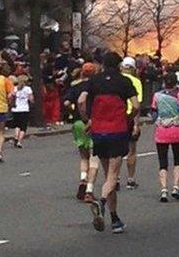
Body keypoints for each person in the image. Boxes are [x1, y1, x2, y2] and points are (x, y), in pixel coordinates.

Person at [79, 52, 140, 234]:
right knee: (113, 176)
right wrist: (128, 118)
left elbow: (81, 100)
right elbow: (136, 106)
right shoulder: (124, 82)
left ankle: (114, 219)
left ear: (103, 65)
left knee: (108, 176)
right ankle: (102, 201)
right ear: (119, 65)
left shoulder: (94, 81)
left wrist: (87, 120)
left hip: (98, 131)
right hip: (117, 130)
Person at [64, 62, 98, 202]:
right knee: (94, 157)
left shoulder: (75, 86)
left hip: (78, 123)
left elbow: (66, 102)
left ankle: (83, 178)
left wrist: (72, 112)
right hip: (93, 122)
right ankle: (89, 189)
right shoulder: (97, 87)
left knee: (84, 156)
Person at [151, 73, 179, 202]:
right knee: (177, 160)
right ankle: (176, 187)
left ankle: (164, 190)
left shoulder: (157, 96)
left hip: (161, 131)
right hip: (176, 130)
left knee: (163, 162)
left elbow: (153, 112)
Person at [121, 57, 144, 190]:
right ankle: (130, 179)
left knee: (116, 150)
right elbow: (137, 105)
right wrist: (136, 124)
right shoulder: (136, 82)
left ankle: (115, 178)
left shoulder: (116, 80)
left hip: (118, 117)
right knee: (131, 149)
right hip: (130, 117)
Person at [11, 75, 33, 149]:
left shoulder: (15, 88)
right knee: (23, 127)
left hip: (16, 109)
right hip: (24, 109)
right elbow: (31, 99)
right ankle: (19, 142)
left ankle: (16, 137)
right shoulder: (28, 89)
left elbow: (11, 97)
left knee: (17, 125)